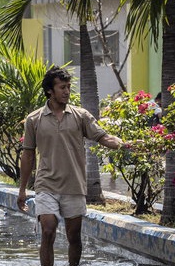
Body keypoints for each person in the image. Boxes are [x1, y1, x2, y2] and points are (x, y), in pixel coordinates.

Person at [17, 66, 132, 266]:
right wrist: (22, 190)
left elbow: (103, 136)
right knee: (48, 230)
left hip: (74, 185)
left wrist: (123, 144)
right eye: (62, 87)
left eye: (68, 87)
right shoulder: (34, 119)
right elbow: (27, 155)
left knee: (74, 237)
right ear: (50, 91)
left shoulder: (81, 116)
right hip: (46, 184)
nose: (67, 91)